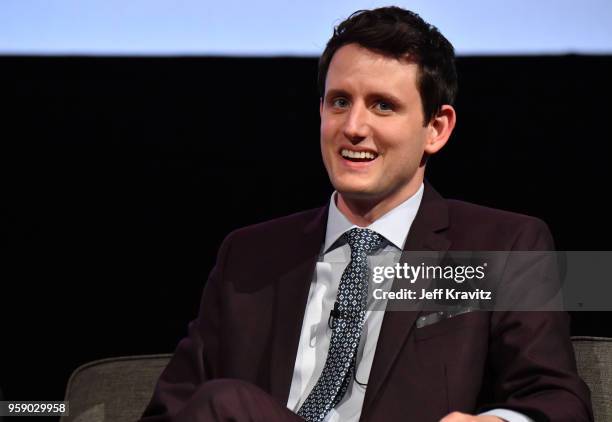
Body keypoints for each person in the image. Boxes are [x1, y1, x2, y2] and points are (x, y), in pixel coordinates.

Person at [140, 6, 592, 422]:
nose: (353, 128)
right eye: (339, 102)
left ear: (436, 128)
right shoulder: (249, 256)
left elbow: (557, 400)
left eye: (383, 105)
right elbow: (174, 410)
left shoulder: (503, 246)